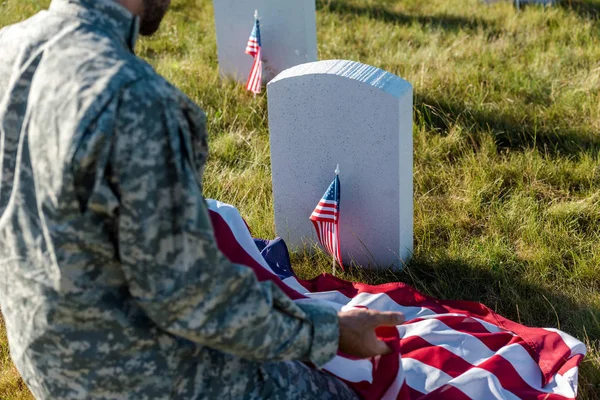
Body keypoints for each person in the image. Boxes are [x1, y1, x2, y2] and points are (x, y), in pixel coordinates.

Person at [0, 0, 405, 398]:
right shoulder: (137, 98)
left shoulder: (7, 48)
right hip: (130, 376)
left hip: (40, 356)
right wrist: (329, 330)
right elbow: (189, 296)